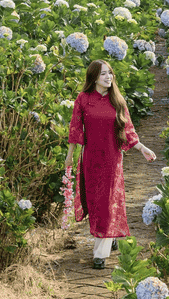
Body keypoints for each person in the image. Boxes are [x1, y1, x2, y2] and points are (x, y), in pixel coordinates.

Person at [66, 60, 157, 269]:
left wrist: (142, 148)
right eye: (104, 74)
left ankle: (100, 254)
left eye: (110, 73)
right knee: (95, 202)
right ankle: (110, 236)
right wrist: (69, 156)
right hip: (90, 159)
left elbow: (128, 130)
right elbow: (75, 129)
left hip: (112, 160)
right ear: (94, 77)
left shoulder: (117, 101)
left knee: (107, 202)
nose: (109, 77)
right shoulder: (83, 99)